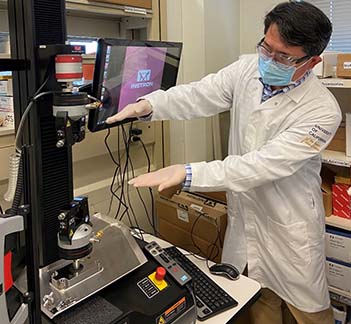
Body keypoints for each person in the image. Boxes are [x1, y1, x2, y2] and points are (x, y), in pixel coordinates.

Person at [106, 2, 341, 323]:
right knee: (259, 303)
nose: (269, 61)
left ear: (312, 61)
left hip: (290, 228)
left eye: (283, 57)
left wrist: (186, 173)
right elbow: (199, 94)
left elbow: (261, 166)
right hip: (246, 218)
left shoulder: (321, 111)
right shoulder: (247, 68)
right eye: (266, 48)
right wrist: (148, 105)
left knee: (310, 314)